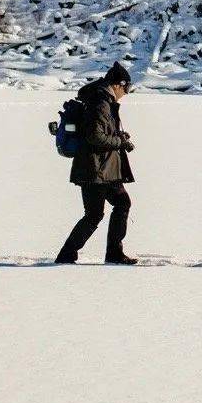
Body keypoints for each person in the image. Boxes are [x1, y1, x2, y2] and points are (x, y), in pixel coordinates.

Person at [55, 62, 137, 265]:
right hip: (96, 169)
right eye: (126, 88)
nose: (126, 93)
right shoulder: (100, 103)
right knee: (102, 211)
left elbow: (98, 132)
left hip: (100, 168)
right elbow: (94, 136)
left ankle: (70, 254)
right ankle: (110, 254)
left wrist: (118, 135)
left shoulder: (102, 101)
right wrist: (119, 142)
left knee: (99, 212)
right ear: (118, 85)